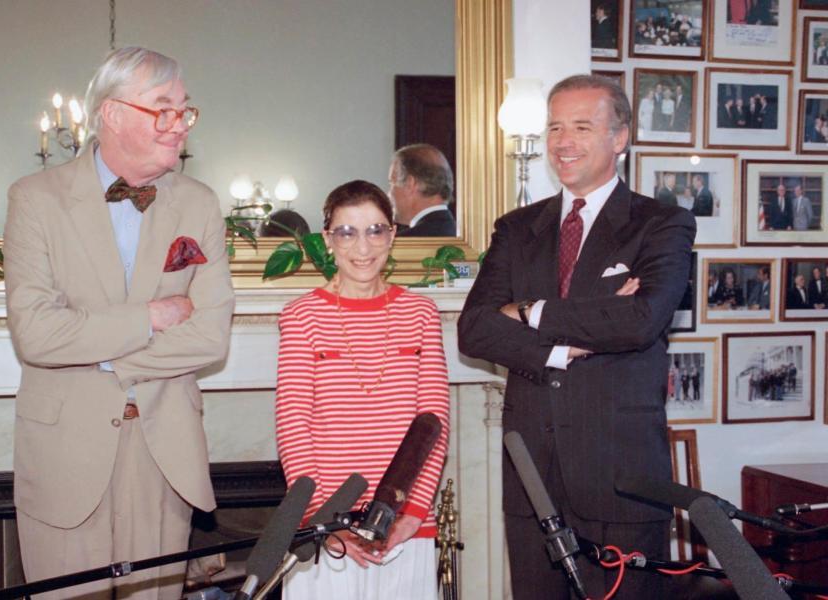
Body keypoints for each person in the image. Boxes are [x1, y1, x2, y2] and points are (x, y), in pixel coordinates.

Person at [4, 47, 234, 599]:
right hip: (65, 455)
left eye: (184, 111)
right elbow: (35, 333)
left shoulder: (199, 204)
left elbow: (211, 334)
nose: (179, 125)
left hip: (164, 454)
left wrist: (96, 348)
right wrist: (150, 318)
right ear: (112, 114)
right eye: (163, 109)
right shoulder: (35, 199)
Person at [458, 74, 694, 599]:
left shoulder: (661, 224)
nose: (563, 141)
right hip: (531, 479)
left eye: (582, 127)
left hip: (621, 477)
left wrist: (531, 311)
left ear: (620, 137)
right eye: (555, 127)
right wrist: (564, 348)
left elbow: (640, 320)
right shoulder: (517, 229)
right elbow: (473, 329)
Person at [276, 180, 449, 600]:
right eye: (347, 232)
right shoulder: (301, 317)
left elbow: (434, 422)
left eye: (375, 230)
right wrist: (322, 521)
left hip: (407, 521)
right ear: (328, 240)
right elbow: (293, 423)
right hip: (329, 527)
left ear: (392, 235)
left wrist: (412, 511)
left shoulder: (420, 312)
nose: (363, 246)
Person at [388, 143, 456, 237]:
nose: (389, 194)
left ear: (410, 184)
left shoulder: (401, 245)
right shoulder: (469, 239)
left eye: (392, 183)